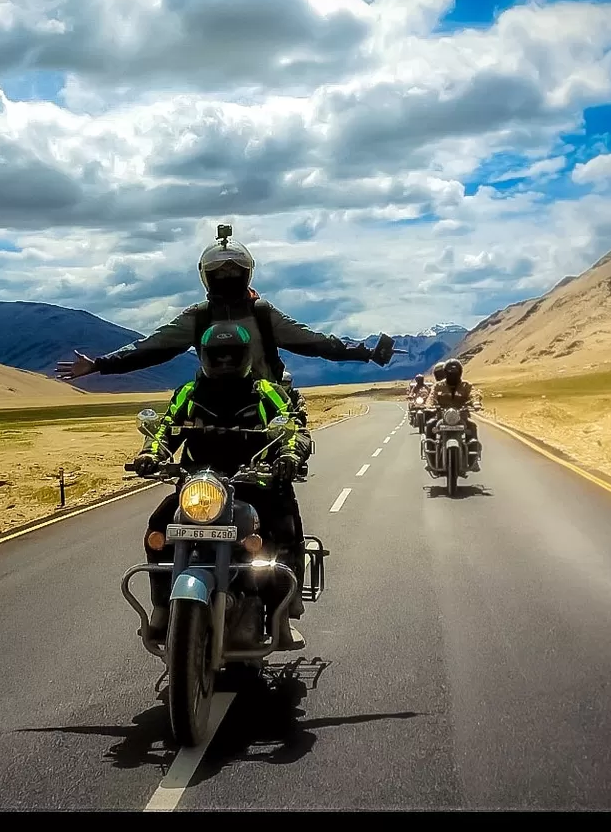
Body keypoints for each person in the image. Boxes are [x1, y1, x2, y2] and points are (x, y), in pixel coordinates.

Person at [132, 321, 308, 649]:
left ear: (245, 356)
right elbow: (165, 431)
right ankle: (160, 606)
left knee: (282, 530)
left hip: (254, 483)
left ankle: (282, 612)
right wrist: (149, 455)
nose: (225, 361)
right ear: (204, 356)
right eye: (218, 355)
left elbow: (295, 428)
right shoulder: (188, 393)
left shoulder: (265, 392)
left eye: (232, 355)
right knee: (158, 528)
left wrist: (289, 455)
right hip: (198, 486)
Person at [55, 225, 397, 383]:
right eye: (222, 271)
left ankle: (287, 530)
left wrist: (362, 352)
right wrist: (100, 364)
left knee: (281, 478)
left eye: (234, 270)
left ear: (246, 273)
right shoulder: (200, 316)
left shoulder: (261, 314)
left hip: (266, 401)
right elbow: (150, 348)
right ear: (208, 275)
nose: (228, 276)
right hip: (209, 405)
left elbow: (316, 343)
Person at [427, 359, 482, 471]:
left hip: (462, 417)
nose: (453, 375)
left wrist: (476, 403)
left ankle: (474, 459)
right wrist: (429, 405)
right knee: (429, 425)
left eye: (455, 372)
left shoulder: (466, 385)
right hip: (441, 417)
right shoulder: (439, 385)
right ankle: (430, 458)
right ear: (445, 373)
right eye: (450, 372)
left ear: (460, 372)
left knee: (472, 426)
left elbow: (474, 394)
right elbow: (431, 396)